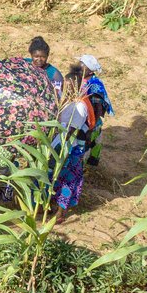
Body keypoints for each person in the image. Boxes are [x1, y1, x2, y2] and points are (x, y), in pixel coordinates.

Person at [54, 72, 92, 223]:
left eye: (70, 86)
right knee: (56, 179)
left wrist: (58, 147)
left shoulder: (80, 106)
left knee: (67, 181)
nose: (66, 88)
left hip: (70, 148)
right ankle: (52, 206)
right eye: (65, 85)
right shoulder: (65, 101)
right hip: (58, 145)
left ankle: (60, 212)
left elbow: (71, 131)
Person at [75, 54, 113, 168]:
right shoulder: (81, 79)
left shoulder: (95, 86)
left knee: (87, 146)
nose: (78, 68)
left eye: (81, 67)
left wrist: (89, 129)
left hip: (91, 123)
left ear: (90, 71)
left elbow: (98, 108)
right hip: (83, 120)